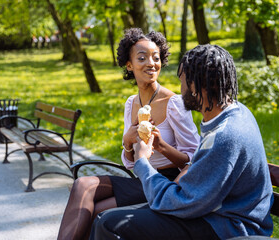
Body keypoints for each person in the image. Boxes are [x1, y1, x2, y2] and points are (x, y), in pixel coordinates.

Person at [89, 44, 274, 240]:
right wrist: (161, 148)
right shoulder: (234, 112)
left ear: (195, 85)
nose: (180, 89)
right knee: (106, 217)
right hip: (215, 212)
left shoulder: (226, 135)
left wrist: (142, 161)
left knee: (110, 224)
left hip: (228, 225)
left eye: (183, 81)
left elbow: (182, 202)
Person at [57, 28, 200, 240]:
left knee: (97, 211)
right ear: (129, 65)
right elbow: (130, 163)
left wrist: (161, 146)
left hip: (166, 182)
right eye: (142, 58)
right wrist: (127, 141)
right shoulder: (131, 103)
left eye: (156, 57)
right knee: (83, 185)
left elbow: (194, 159)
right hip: (140, 177)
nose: (151, 63)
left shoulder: (174, 103)